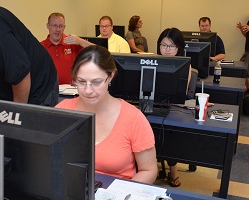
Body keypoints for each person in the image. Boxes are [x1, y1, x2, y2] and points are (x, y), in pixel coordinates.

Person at [55, 45, 157, 184]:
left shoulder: (133, 118)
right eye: (81, 82)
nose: (88, 90)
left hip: (115, 198)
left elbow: (149, 171)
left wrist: (119, 196)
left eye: (96, 82)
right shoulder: (62, 111)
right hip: (71, 193)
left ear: (110, 76)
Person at [156, 27, 193, 187]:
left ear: (179, 48)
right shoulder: (151, 61)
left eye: (171, 46)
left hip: (173, 107)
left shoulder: (185, 66)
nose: (167, 50)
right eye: (163, 45)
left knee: (169, 130)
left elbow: (181, 93)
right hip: (151, 104)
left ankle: (173, 169)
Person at [40, 12, 93, 84]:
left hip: (71, 92)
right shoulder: (41, 47)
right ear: (48, 26)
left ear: (64, 27)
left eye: (61, 26)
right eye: (54, 26)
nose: (58, 29)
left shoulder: (72, 42)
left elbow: (100, 52)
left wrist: (80, 41)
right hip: (50, 92)